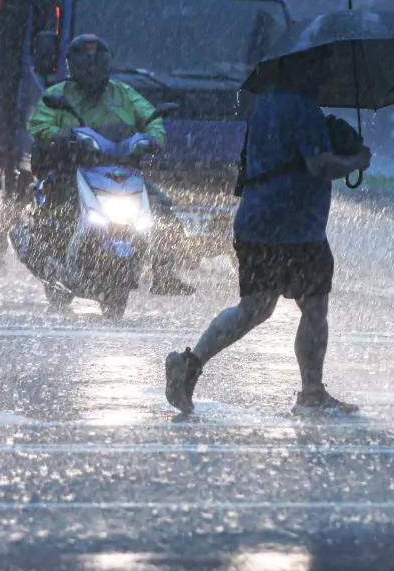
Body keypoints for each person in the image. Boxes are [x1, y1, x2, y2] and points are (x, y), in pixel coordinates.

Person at [164, 44, 372, 416]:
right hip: (296, 229)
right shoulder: (304, 110)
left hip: (256, 222)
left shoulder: (266, 105)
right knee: (313, 309)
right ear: (303, 69)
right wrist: (356, 159)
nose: (325, 74)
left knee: (253, 309)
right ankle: (312, 393)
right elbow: (319, 166)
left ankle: (190, 363)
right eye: (320, 66)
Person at [26, 33, 195, 297]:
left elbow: (152, 118)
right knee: (58, 206)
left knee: (162, 207)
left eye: (97, 63)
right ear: (73, 66)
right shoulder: (58, 94)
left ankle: (165, 272)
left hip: (122, 170)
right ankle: (52, 253)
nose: (91, 70)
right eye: (85, 63)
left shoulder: (124, 93)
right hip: (74, 169)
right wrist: (59, 135)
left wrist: (153, 139)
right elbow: (38, 123)